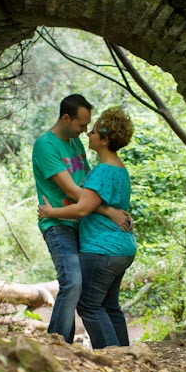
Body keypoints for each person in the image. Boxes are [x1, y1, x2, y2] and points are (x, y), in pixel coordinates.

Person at [32, 94, 130, 343]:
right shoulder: (46, 146)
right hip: (59, 223)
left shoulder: (76, 144)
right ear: (66, 118)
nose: (85, 132)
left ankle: (119, 354)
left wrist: (103, 210)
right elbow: (73, 192)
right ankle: (58, 342)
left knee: (98, 299)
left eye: (90, 127)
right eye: (81, 125)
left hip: (85, 226)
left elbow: (89, 189)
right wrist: (109, 212)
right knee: (73, 283)